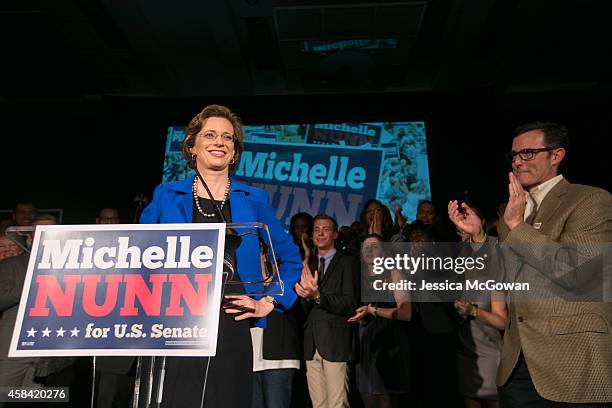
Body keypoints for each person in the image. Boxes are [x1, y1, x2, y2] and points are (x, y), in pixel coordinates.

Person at [140, 104, 302, 408]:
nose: (219, 143)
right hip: (177, 317)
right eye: (210, 135)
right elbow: (137, 252)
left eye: (228, 138)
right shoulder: (166, 194)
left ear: (235, 150)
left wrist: (269, 302)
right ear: (192, 146)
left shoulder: (254, 199)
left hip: (232, 317)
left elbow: (290, 259)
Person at [448, 121, 612, 406]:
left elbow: (575, 271)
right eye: (513, 155)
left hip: (571, 360)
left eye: (528, 153)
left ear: (556, 155)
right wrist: (479, 238)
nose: (517, 161)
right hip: (516, 364)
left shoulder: (589, 199)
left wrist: (515, 225)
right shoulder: (514, 211)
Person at [294, 214, 359, 408]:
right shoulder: (308, 265)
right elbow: (306, 310)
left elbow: (350, 303)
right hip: (311, 344)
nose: (320, 233)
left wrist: (318, 296)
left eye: (326, 229)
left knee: (337, 404)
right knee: (318, 404)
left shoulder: (348, 263)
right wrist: (303, 295)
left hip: (336, 343)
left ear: (335, 234)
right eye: (316, 229)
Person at [348, 233, 411, 408]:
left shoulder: (393, 273)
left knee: (387, 402)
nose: (369, 250)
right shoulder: (358, 277)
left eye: (375, 246)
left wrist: (372, 310)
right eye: (366, 247)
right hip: (365, 347)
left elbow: (406, 313)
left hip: (390, 345)